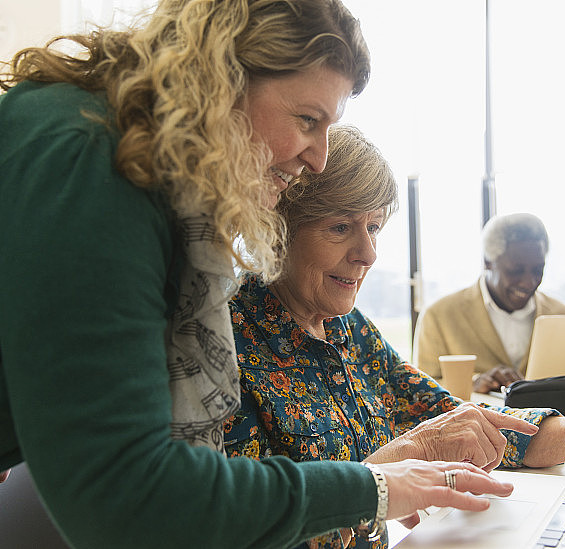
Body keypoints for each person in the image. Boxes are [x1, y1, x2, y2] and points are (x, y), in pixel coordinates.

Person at [0, 2, 516, 548]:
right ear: (221, 79)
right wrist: (377, 487)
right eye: (308, 121)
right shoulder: (92, 161)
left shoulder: (129, 165)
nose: (317, 158)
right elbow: (131, 498)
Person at [224, 125, 565, 549]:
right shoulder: (226, 344)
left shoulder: (346, 329)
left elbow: (474, 426)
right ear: (276, 225)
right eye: (341, 227)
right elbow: (237, 532)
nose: (369, 254)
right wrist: (383, 476)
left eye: (375, 228)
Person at [413, 212, 565, 394]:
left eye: (538, 270)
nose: (529, 282)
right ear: (488, 262)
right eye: (516, 271)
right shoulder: (440, 315)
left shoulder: (563, 316)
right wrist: (471, 383)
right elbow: (420, 390)